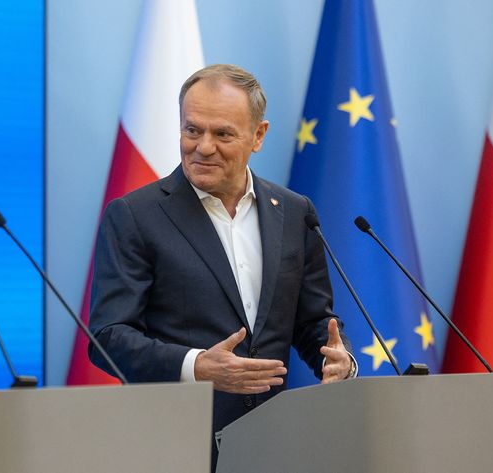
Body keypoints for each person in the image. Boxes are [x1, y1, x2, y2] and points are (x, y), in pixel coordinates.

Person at [88, 64, 357, 469]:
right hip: (176, 446)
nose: (203, 147)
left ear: (259, 135)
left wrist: (338, 359)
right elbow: (107, 336)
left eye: (223, 134)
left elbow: (312, 321)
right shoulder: (135, 216)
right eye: (192, 130)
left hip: (276, 442)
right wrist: (197, 366)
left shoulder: (294, 212)